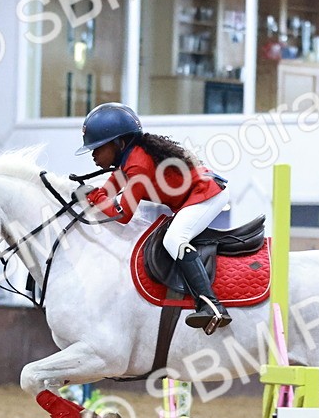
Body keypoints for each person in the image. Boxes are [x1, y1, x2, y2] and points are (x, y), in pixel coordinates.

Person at [77, 103, 232, 333]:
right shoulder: (127, 161)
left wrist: (93, 197)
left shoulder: (138, 163)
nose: (93, 155)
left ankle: (211, 305)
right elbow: (106, 194)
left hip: (206, 194)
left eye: (98, 147)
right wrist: (90, 196)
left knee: (174, 240)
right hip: (192, 196)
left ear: (119, 143)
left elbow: (122, 214)